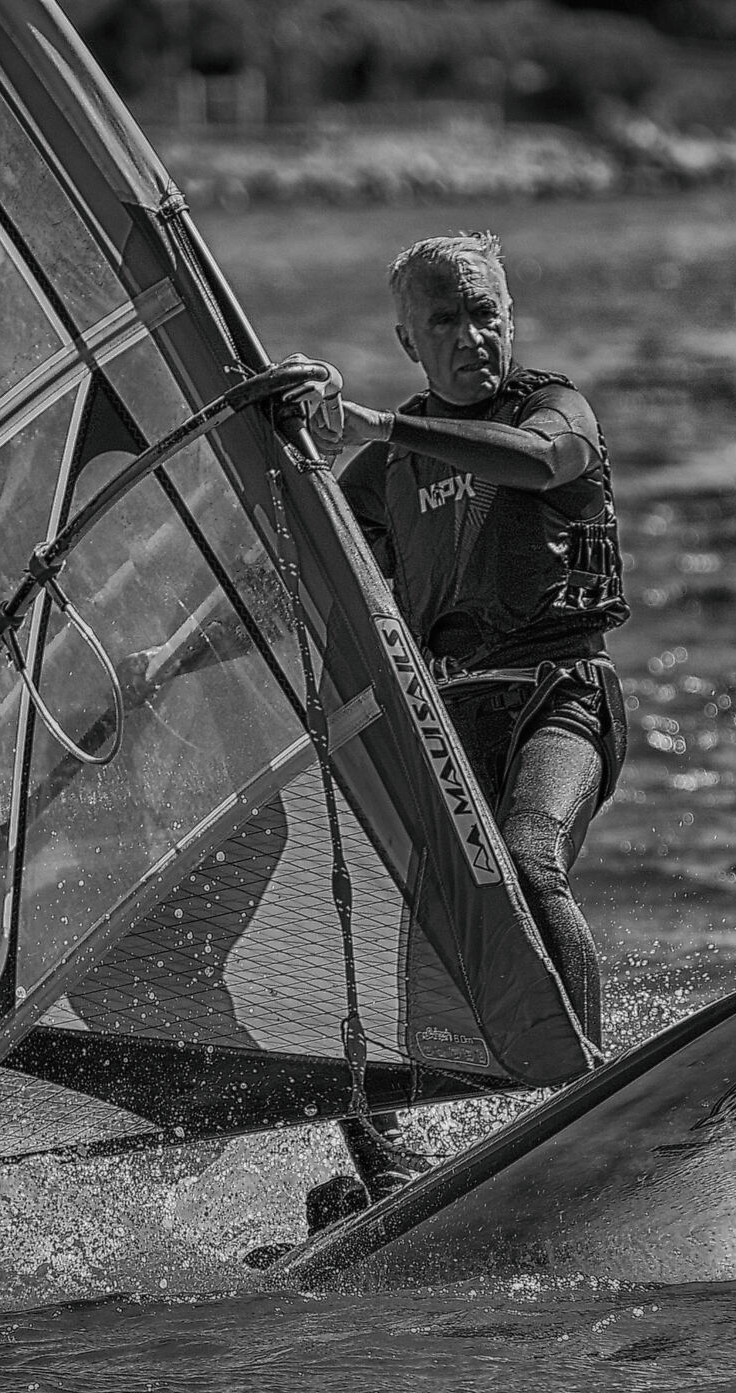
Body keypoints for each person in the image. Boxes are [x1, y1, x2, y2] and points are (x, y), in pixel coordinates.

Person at [293, 231, 630, 1214]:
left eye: (486, 312)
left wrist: (379, 428)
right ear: (410, 340)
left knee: (530, 859)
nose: (473, 334)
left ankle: (586, 1095)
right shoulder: (381, 470)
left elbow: (542, 461)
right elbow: (296, 574)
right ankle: (388, 1179)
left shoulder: (551, 411)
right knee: (348, 950)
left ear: (510, 315)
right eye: (447, 318)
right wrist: (164, 658)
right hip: (449, 725)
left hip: (560, 697)